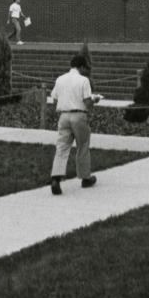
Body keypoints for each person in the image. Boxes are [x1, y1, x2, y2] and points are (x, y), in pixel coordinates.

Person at [49, 54, 102, 194]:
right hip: (79, 115)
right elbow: (87, 103)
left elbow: (54, 99)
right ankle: (85, 177)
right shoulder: (84, 80)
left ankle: (56, 178)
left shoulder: (60, 79)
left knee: (61, 147)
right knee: (82, 145)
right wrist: (95, 100)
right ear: (82, 67)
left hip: (63, 115)